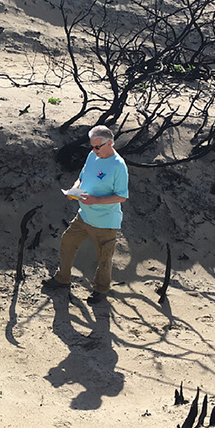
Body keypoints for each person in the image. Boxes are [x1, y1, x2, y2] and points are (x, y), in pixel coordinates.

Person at [47, 125, 130, 301]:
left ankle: (101, 290)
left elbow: (122, 196)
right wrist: (74, 189)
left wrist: (96, 201)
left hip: (105, 222)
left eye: (97, 146)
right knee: (67, 242)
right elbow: (82, 177)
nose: (94, 150)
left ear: (109, 143)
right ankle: (62, 278)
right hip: (83, 216)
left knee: (104, 259)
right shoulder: (93, 155)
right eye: (92, 146)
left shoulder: (118, 166)